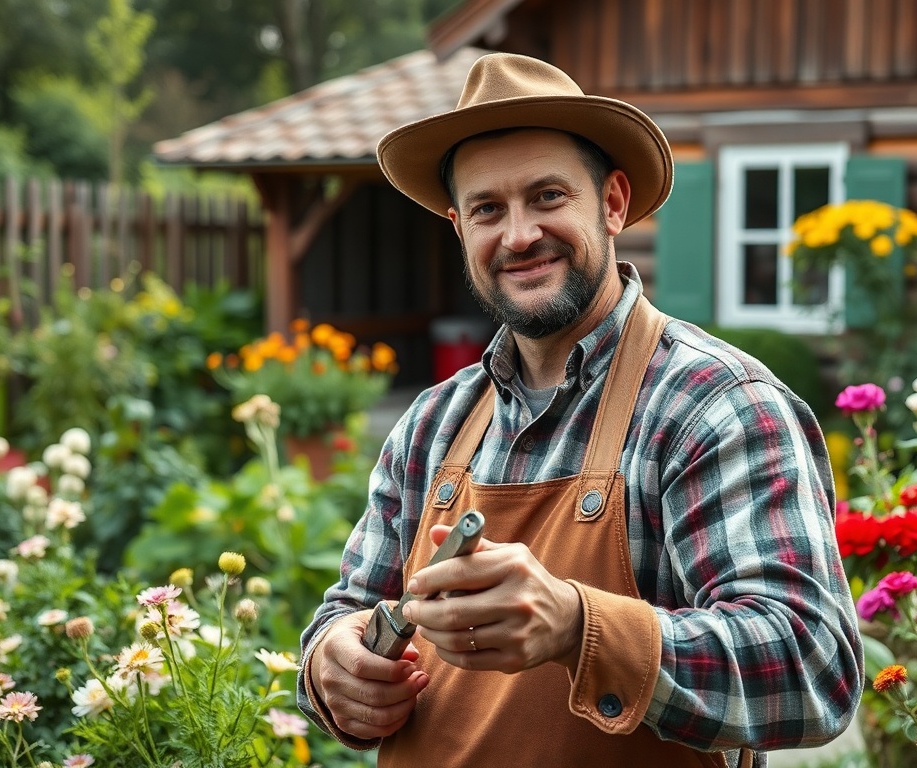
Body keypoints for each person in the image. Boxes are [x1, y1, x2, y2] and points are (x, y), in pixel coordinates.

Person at [297, 52, 863, 768]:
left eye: (548, 196)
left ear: (614, 203)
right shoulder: (431, 425)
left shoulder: (715, 407)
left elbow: (813, 670)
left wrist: (577, 627)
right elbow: (345, 612)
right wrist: (333, 667)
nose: (519, 234)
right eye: (487, 209)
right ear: (458, 228)